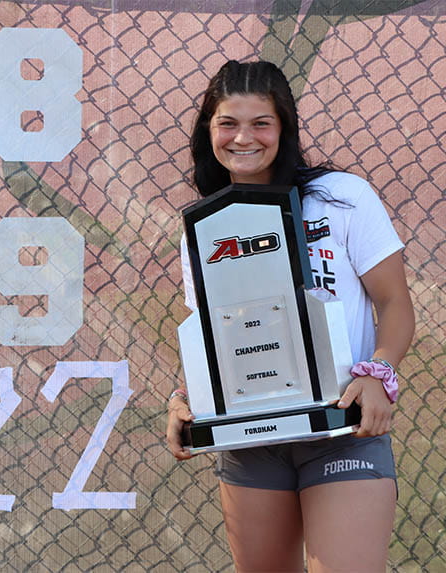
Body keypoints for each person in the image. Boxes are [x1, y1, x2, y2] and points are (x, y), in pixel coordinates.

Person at [166, 60, 415, 572]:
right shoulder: (206, 228)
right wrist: (185, 397)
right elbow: (215, 334)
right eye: (228, 123)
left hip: (341, 431)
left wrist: (380, 374)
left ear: (284, 129)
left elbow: (395, 303)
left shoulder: (342, 198)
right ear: (208, 130)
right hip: (251, 439)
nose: (243, 138)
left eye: (261, 123)